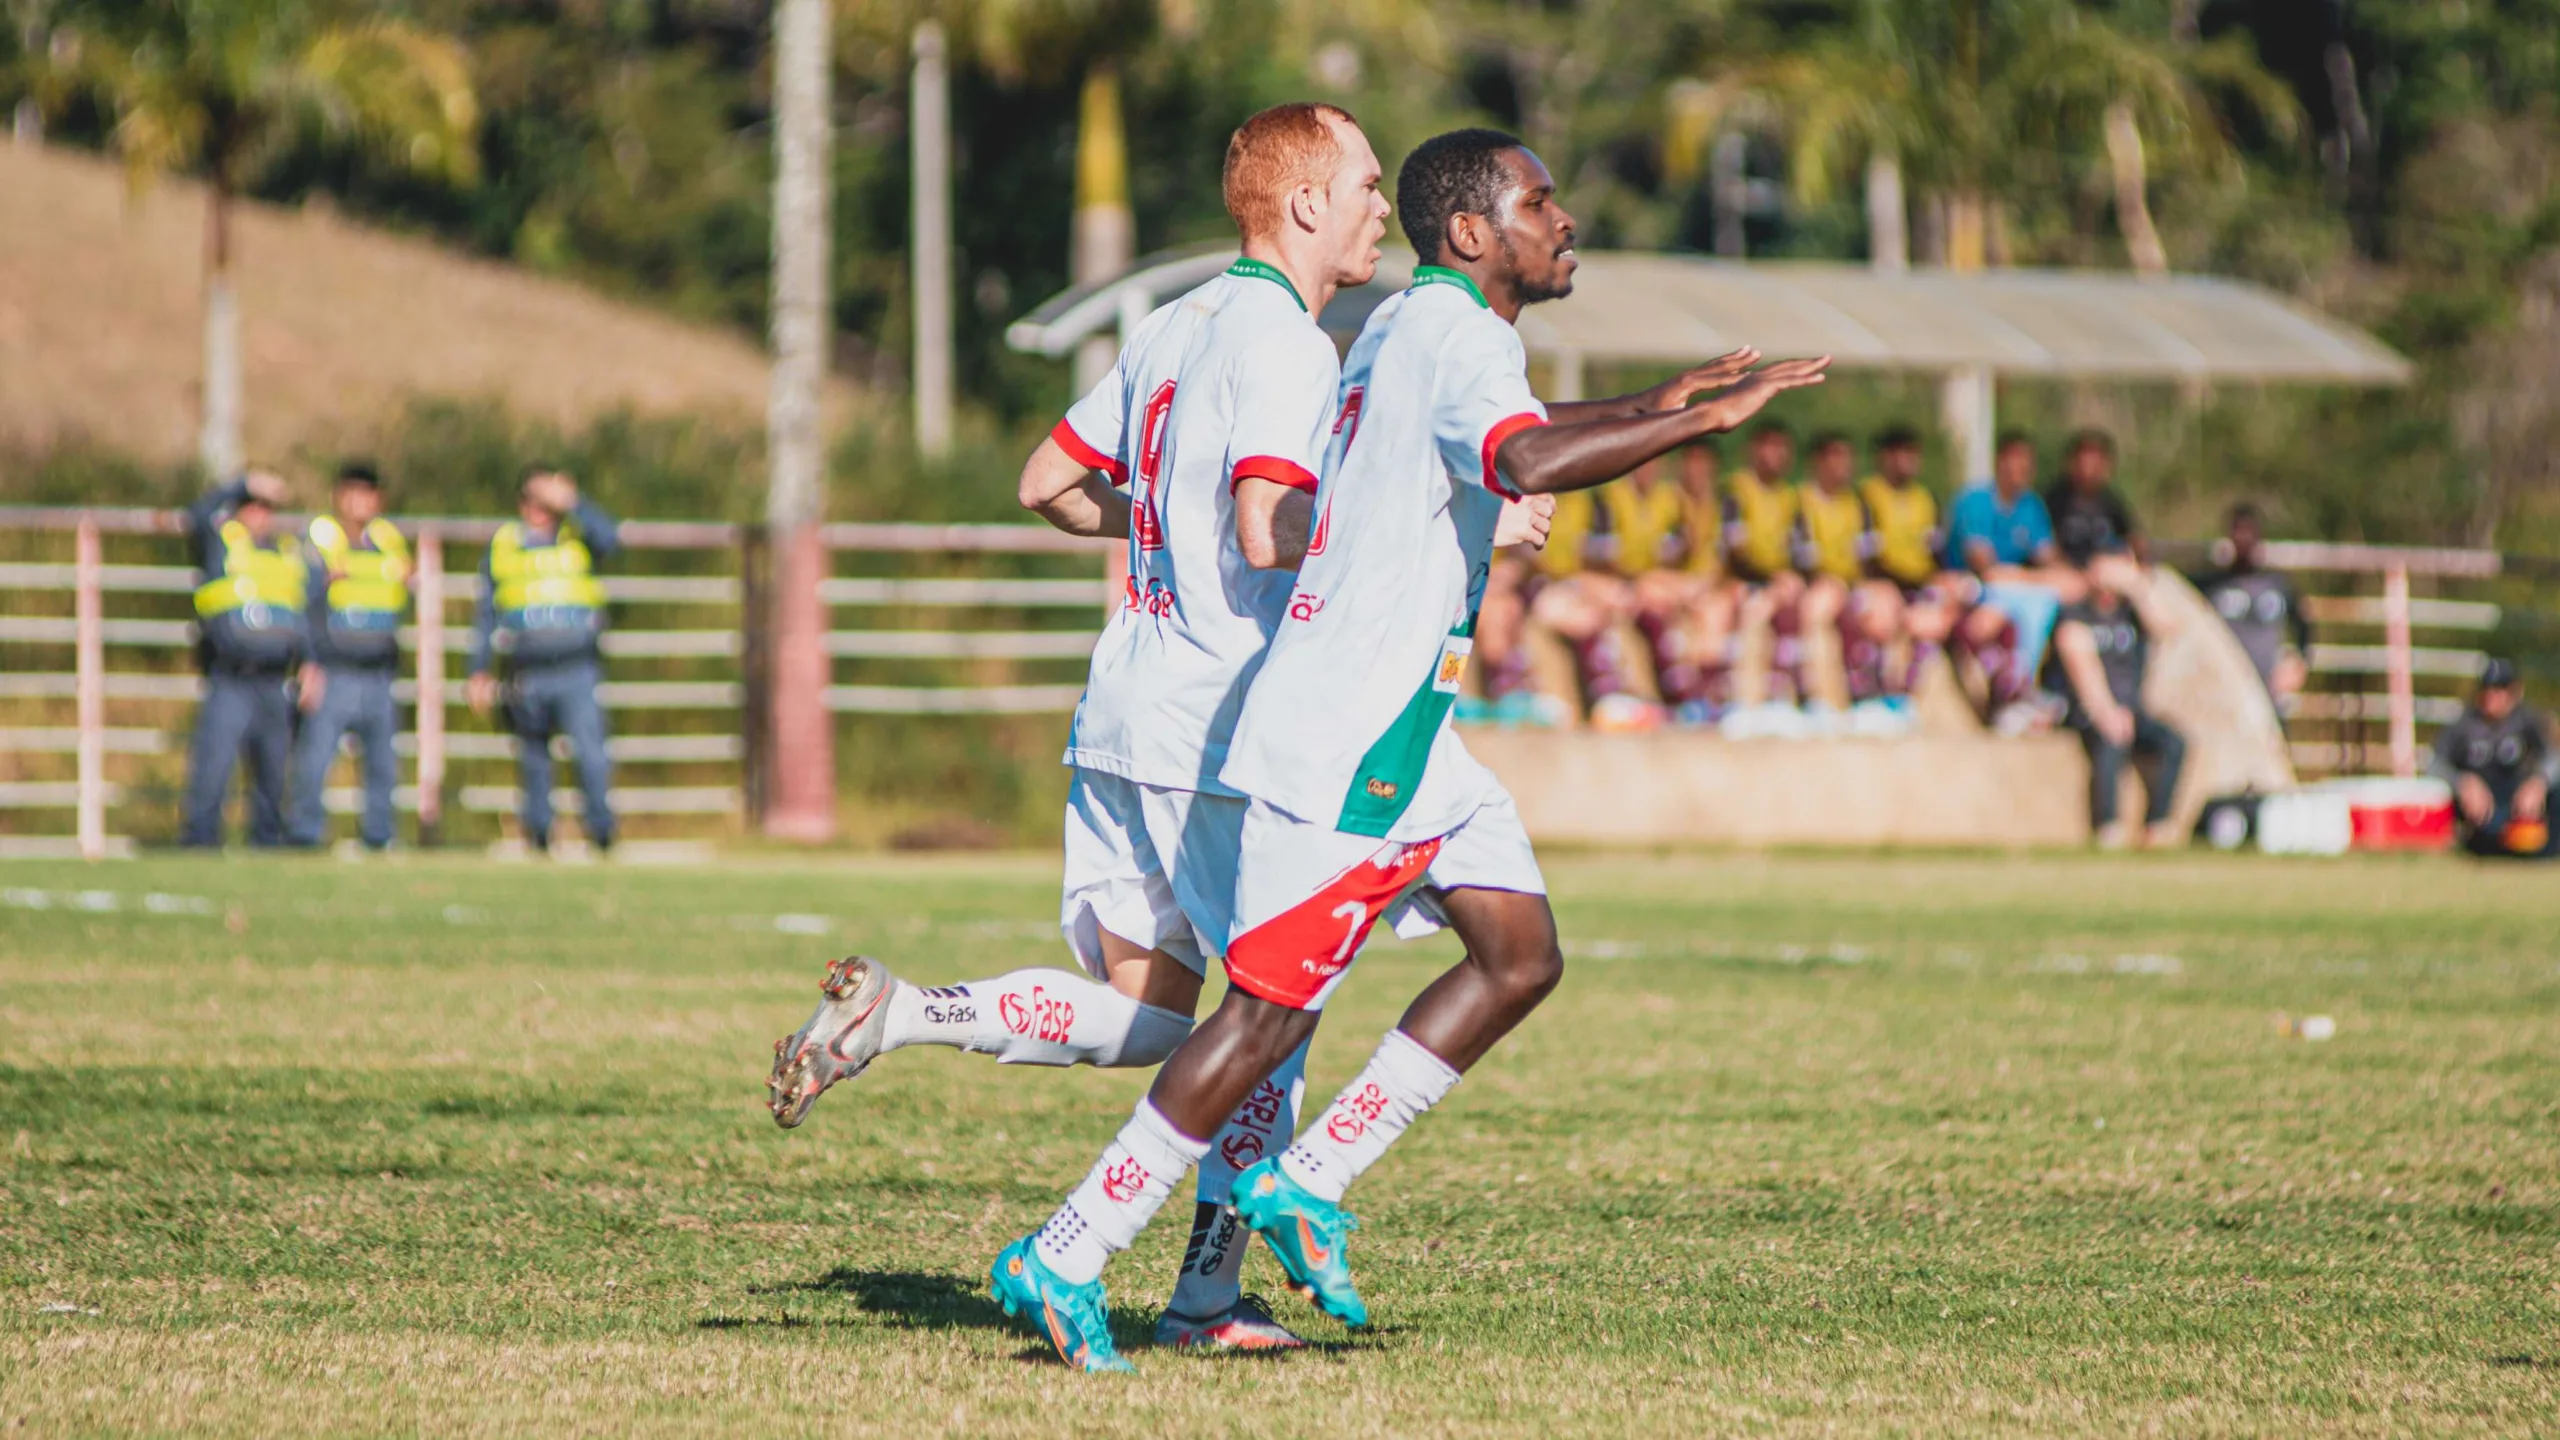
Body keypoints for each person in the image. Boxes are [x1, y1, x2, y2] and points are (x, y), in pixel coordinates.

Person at [988, 126, 1829, 1373]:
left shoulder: (1414, 323)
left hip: (1405, 731)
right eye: (1541, 202)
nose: (1566, 221)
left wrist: (1657, 402)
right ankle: (1066, 1250)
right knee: (1267, 1018)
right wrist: (1694, 431)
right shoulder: (1449, 332)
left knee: (1519, 951)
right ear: (1476, 232)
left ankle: (1308, 1179)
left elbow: (1515, 427)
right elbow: (1525, 454)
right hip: (1347, 732)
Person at [764, 103, 1424, 1355]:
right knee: (1270, 1019)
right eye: (1366, 185)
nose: (1379, 209)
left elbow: (1045, 483)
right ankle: (1203, 1302)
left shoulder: (1173, 323)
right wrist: (1388, 540)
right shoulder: (1289, 341)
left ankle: (902, 1014)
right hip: (1215, 729)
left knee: (1162, 1021)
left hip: (1121, 704)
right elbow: (1260, 527)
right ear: (1300, 205)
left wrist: (1155, 533)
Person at [467, 466, 620, 854]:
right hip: (527, 670)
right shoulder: (504, 544)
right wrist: (479, 669)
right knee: (533, 757)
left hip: (576, 667)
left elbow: (611, 539)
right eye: (533, 500)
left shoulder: (578, 535)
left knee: (590, 755)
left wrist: (574, 502)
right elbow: (486, 611)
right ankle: (539, 837)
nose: (540, 510)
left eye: (547, 502)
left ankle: (601, 834)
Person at [179, 469, 307, 847]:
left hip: (274, 680)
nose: (260, 515)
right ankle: (199, 841)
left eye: (266, 507)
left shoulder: (287, 553)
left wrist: (309, 663)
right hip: (230, 677)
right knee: (213, 767)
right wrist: (244, 483)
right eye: (252, 506)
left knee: (273, 775)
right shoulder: (220, 544)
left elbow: (303, 614)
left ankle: (267, 845)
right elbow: (197, 514)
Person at [287, 463, 410, 850]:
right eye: (352, 492)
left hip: (378, 671)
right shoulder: (319, 542)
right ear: (337, 497)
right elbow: (303, 606)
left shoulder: (389, 542)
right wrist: (308, 663)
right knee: (315, 761)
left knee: (384, 766)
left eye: (368, 493)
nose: (360, 501)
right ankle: (304, 836)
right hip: (333, 670)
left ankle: (379, 837)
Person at [1945, 431, 2078, 730]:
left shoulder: (2030, 506)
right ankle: (2014, 692)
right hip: (1970, 586)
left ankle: (2030, 690)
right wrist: (2037, 578)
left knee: (2045, 600)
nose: (2020, 472)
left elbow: (2049, 556)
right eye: (2014, 463)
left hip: (2016, 589)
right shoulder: (1975, 502)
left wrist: (2065, 574)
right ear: (1999, 463)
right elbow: (1986, 567)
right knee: (2015, 608)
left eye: (2026, 465)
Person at [2048, 566, 2187, 847]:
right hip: (2088, 710)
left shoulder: (2131, 613)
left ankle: (2156, 826)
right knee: (2111, 740)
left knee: (2175, 743)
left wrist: (2136, 587)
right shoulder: (2076, 613)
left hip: (2131, 709)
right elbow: (2082, 667)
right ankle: (2108, 827)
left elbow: (2169, 628)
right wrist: (2105, 710)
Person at [1858, 423, 1960, 700]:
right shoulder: (1866, 495)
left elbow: (1936, 555)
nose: (1911, 461)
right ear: (1886, 457)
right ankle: (1874, 693)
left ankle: (1912, 696)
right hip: (1881, 583)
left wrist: (1944, 586)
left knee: (1947, 606)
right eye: (1904, 453)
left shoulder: (1924, 498)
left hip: (1917, 584)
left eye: (1914, 453)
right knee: (1883, 610)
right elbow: (1867, 556)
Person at [2431, 659, 2556, 858]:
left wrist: (2538, 782)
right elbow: (2435, 764)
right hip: (2480, 815)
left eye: (2500, 688)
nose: (2492, 695)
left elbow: (2553, 758)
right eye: (2487, 688)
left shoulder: (2528, 721)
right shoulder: (2463, 723)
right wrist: (2462, 782)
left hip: (2520, 810)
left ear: (2515, 691)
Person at [1721, 420, 1808, 704]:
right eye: (1769, 446)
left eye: (1782, 447)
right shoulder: (1735, 490)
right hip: (1735, 580)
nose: (1776, 454)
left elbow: (1801, 555)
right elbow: (1734, 553)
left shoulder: (1790, 497)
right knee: (1754, 605)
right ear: (1752, 450)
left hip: (1772, 583)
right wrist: (1772, 580)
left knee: (1796, 595)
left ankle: (1785, 692)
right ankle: (1734, 695)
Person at [2192, 502, 2310, 711]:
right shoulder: (2212, 585)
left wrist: (2298, 664)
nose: (2243, 538)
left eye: (2248, 531)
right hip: (2225, 688)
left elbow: (2304, 627)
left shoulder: (2278, 585)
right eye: (2238, 531)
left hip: (2268, 691)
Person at [2043, 428, 2146, 567]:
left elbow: (2133, 537)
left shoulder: (2111, 502)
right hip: (2068, 572)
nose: (2090, 467)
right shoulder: (2055, 500)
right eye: (2085, 460)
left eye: (2097, 461)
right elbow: (2045, 546)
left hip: (2107, 569)